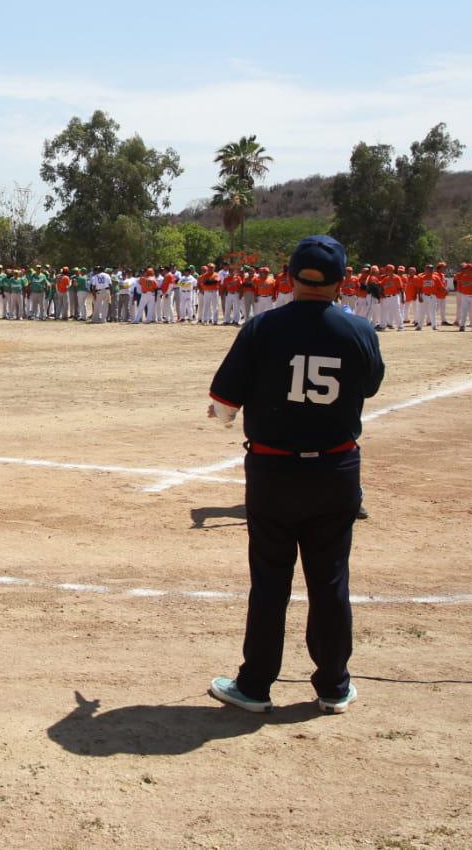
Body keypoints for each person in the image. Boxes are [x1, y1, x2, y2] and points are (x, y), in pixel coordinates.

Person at [205, 235, 384, 716]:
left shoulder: (262, 328)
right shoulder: (360, 330)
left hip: (274, 470)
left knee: (270, 582)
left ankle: (256, 685)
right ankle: (333, 684)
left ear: (288, 277)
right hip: (336, 468)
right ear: (341, 281)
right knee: (329, 581)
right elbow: (369, 385)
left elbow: (223, 406)